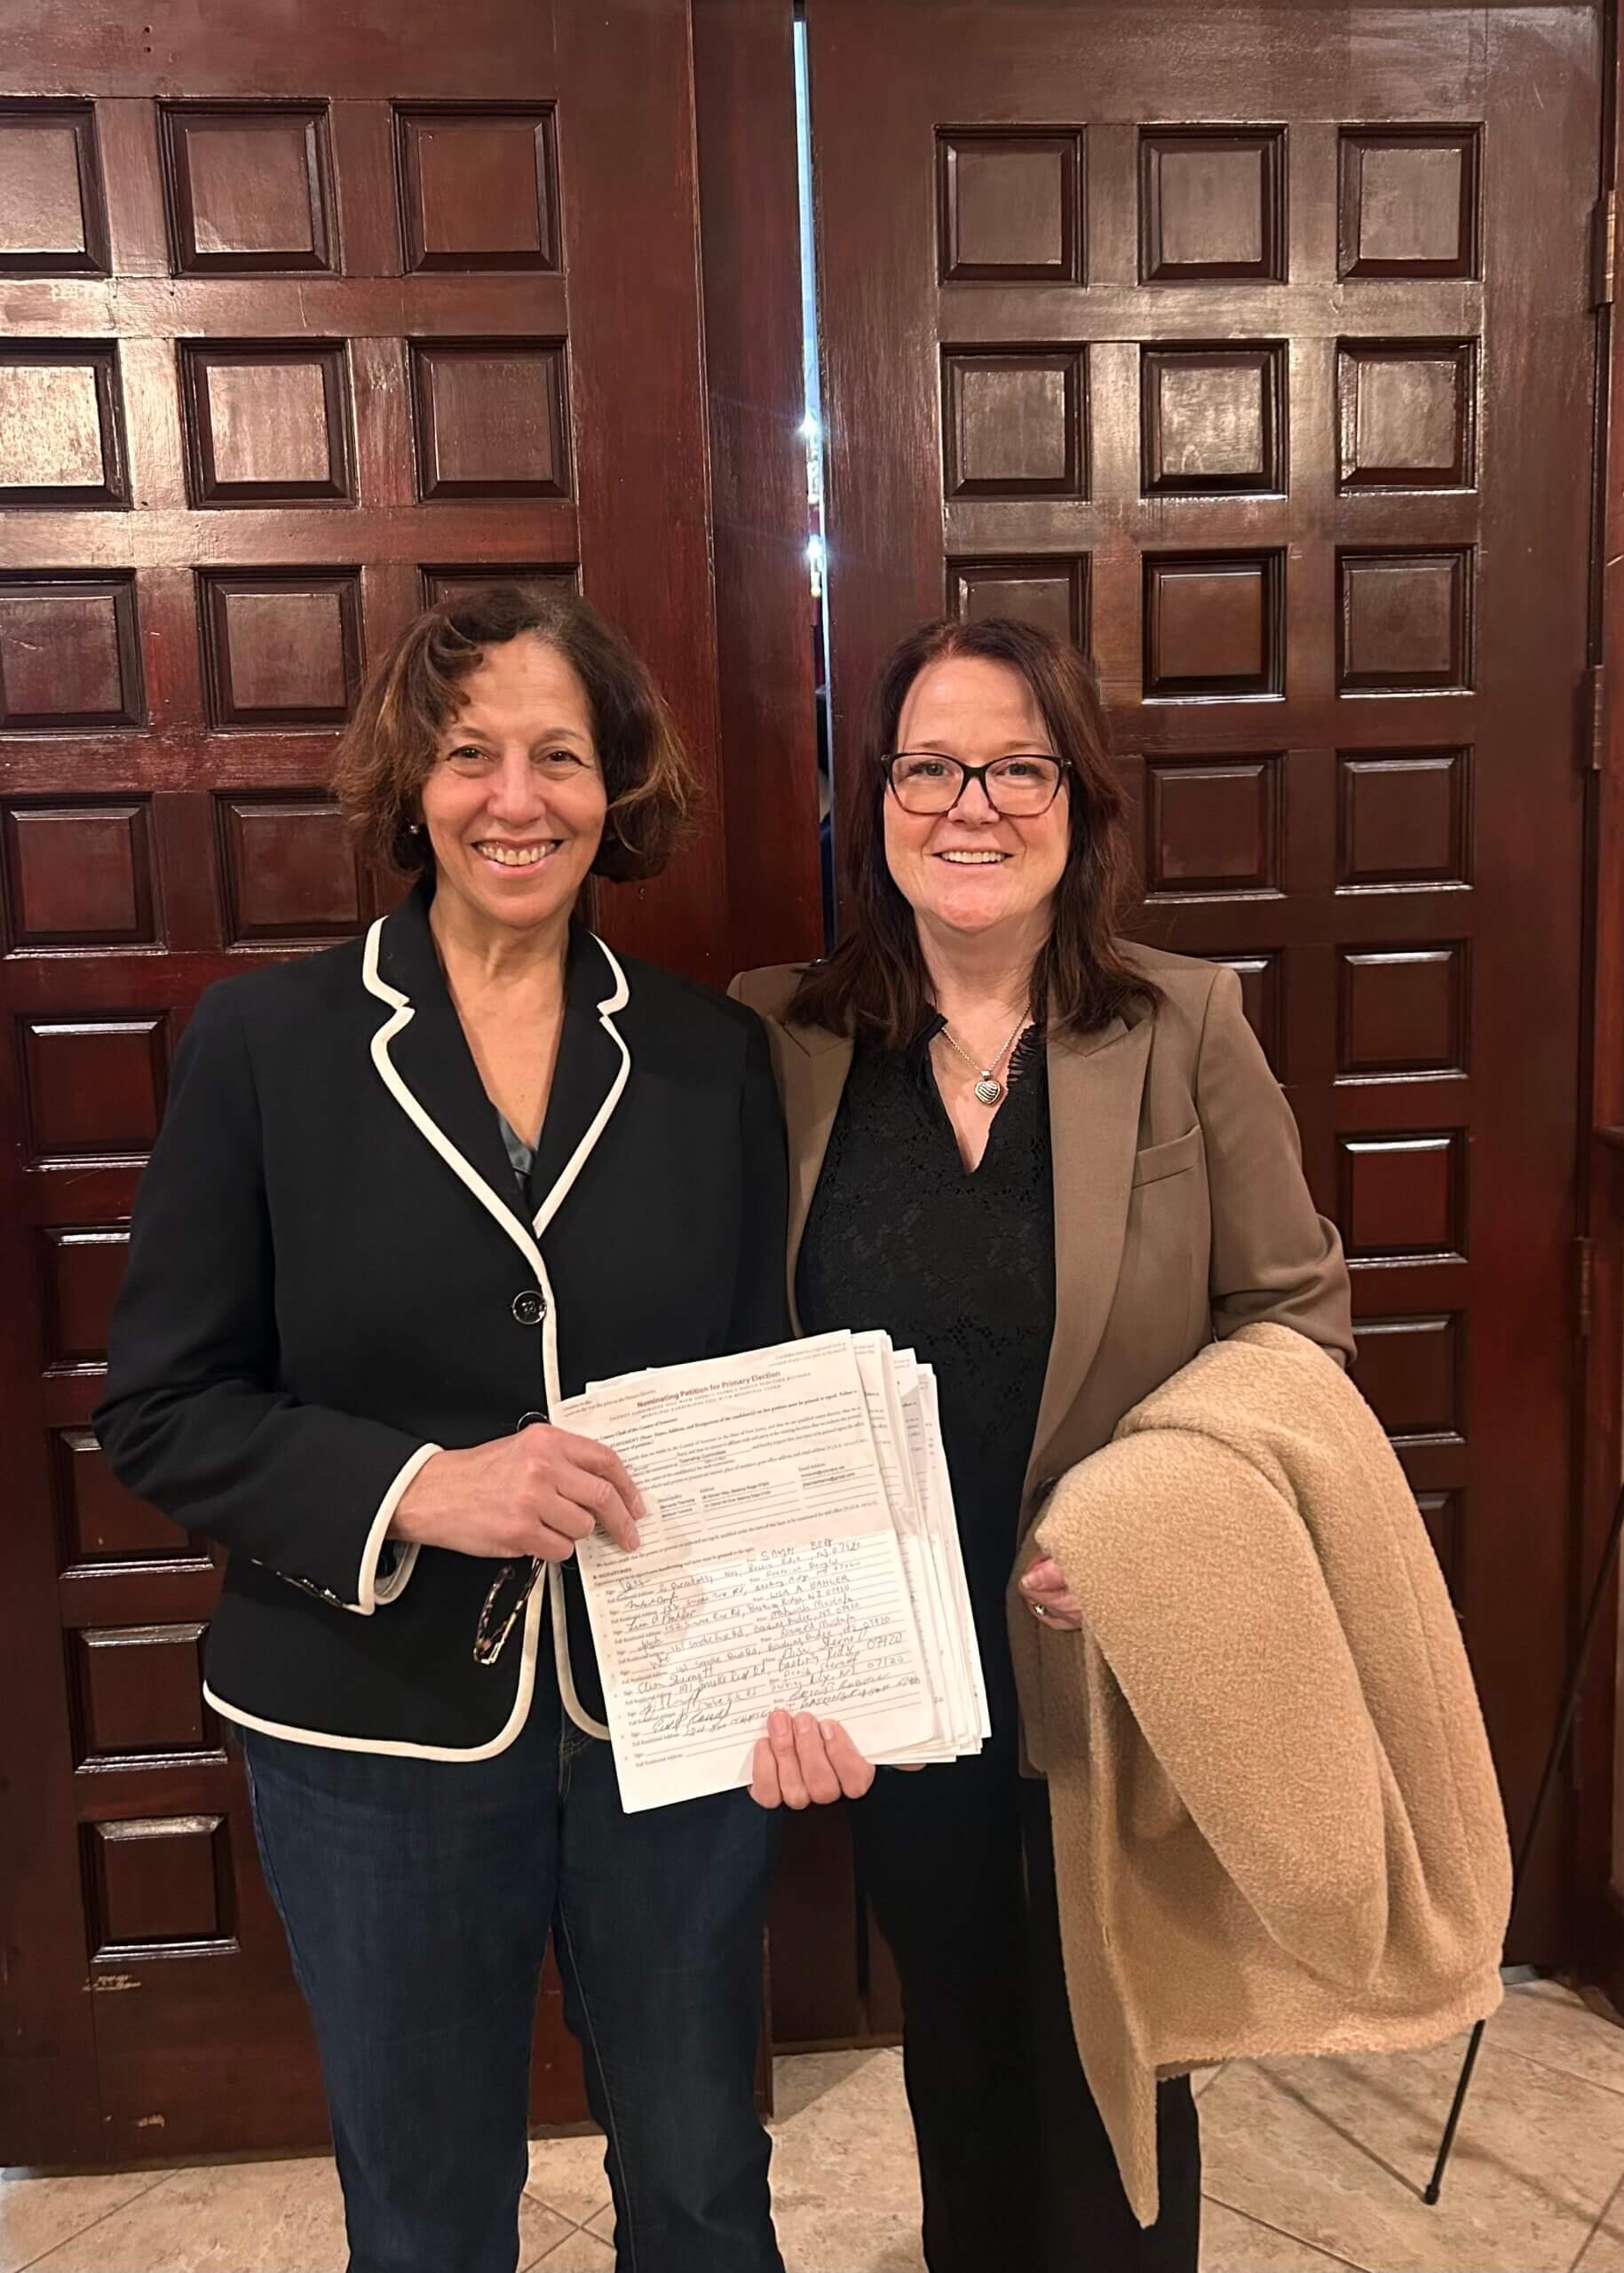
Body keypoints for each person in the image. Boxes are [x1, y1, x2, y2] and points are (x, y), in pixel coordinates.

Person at [95, 586, 789, 2273]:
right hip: (369, 1724)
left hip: (664, 1717)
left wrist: (811, 1657)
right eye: (472, 754)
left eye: (560, 755)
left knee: (704, 2179)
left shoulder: (711, 1057)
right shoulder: (268, 1046)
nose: (516, 799)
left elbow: (758, 1389)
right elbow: (162, 1407)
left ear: (616, 789)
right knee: (426, 2206)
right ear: (411, 783)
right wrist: (418, 1489)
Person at [733, 614, 1354, 2273]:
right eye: (930, 764)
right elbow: (719, 1344)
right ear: (874, 796)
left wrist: (1154, 1526)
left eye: (1017, 764)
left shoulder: (1182, 1025)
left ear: (1076, 798)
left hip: (1110, 1653)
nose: (971, 803)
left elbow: (1295, 1322)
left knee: (1119, 2054)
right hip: (891, 1667)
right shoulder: (780, 1040)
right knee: (956, 2039)